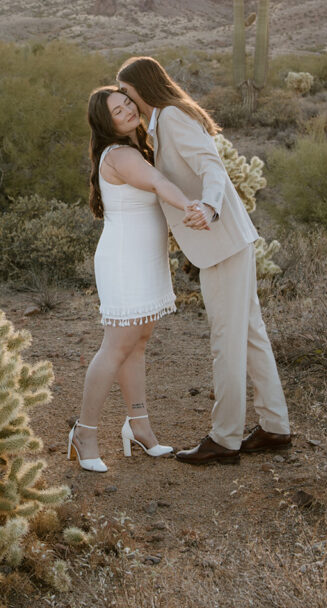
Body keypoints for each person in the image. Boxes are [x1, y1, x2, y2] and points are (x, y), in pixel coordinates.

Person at [116, 57, 291, 465]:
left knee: (226, 340)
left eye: (125, 90)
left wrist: (210, 206)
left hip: (222, 241)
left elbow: (212, 166)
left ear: (142, 87)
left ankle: (225, 439)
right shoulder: (161, 122)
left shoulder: (173, 117)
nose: (123, 98)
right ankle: (275, 426)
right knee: (249, 334)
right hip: (228, 242)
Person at [68, 86, 210, 473]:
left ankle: (140, 426)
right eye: (118, 109)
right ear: (106, 121)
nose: (128, 110)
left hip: (145, 259)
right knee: (116, 346)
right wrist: (193, 206)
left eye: (128, 102)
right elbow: (161, 186)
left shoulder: (138, 150)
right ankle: (85, 432)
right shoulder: (121, 155)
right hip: (124, 260)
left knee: (138, 343)